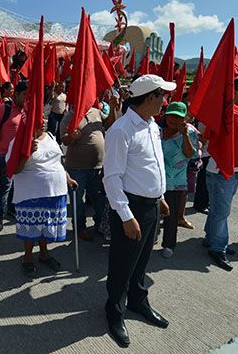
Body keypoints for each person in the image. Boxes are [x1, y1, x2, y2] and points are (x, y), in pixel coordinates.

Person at [103, 74, 172, 348]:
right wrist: (126, 215)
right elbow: (111, 178)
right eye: (162, 95)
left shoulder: (152, 125)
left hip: (152, 204)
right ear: (151, 97)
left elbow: (154, 165)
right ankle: (114, 310)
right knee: (122, 264)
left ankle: (137, 301)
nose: (165, 101)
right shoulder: (121, 130)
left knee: (142, 261)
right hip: (131, 208)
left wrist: (161, 196)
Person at [8, 128, 77, 278]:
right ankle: (27, 257)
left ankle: (44, 254)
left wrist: (68, 178)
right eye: (40, 117)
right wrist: (27, 154)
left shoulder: (51, 136)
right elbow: (14, 169)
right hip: (31, 193)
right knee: (31, 227)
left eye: (45, 116)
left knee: (46, 224)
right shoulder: (19, 140)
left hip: (54, 192)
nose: (44, 120)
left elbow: (57, 163)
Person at [204, 77, 238, 271]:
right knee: (222, 211)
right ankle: (218, 248)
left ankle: (211, 238)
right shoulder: (224, 113)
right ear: (236, 91)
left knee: (218, 209)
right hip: (220, 171)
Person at [61, 103, 107, 241]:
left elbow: (110, 123)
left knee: (99, 199)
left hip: (97, 167)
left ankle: (100, 224)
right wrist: (72, 137)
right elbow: (64, 140)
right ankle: (80, 228)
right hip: (77, 169)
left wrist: (113, 105)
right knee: (78, 202)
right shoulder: (69, 117)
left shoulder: (97, 112)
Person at [160, 102, 199, 259]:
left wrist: (184, 135)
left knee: (171, 216)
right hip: (155, 180)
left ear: (185, 118)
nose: (174, 119)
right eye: (171, 115)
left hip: (176, 183)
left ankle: (169, 245)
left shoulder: (189, 133)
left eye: (178, 116)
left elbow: (190, 155)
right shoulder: (157, 130)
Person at [0, 81, 27, 231]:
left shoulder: (27, 110)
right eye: (24, 94)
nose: (26, 98)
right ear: (16, 94)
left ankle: (11, 207)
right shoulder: (4, 109)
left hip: (20, 154)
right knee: (5, 185)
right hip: (5, 154)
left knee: (16, 183)